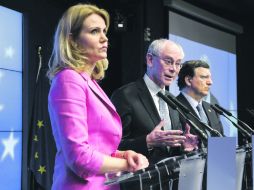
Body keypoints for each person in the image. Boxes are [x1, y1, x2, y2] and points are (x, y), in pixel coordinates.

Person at [47, 4, 149, 190]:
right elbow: (79, 157)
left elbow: (99, 147)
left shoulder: (89, 82)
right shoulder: (68, 80)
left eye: (104, 31)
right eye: (94, 31)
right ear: (72, 41)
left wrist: (124, 154)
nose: (104, 38)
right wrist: (128, 164)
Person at [111, 39, 198, 164]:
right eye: (168, 62)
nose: (174, 69)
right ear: (150, 60)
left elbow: (169, 150)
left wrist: (184, 147)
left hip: (170, 181)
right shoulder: (125, 95)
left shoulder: (172, 100)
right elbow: (111, 146)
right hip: (140, 180)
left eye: (178, 64)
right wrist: (147, 141)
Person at [176, 60, 224, 139]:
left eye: (210, 78)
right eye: (204, 77)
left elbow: (221, 139)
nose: (210, 82)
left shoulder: (211, 108)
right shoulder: (174, 107)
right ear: (188, 80)